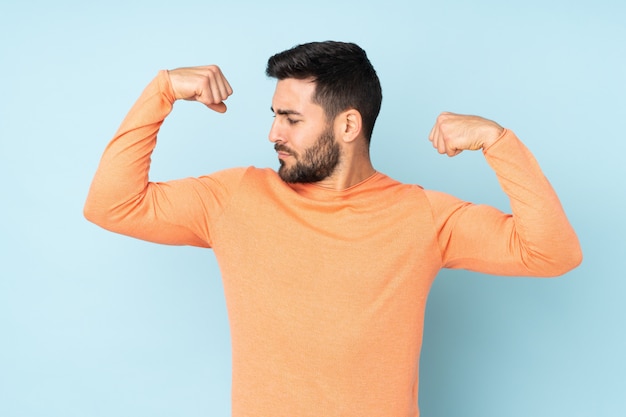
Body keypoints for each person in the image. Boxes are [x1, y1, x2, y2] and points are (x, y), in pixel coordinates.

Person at [84, 41, 582, 417]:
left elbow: (552, 253)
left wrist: (498, 142)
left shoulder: (420, 216)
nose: (273, 133)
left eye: (291, 119)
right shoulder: (235, 198)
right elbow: (112, 205)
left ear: (348, 126)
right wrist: (162, 90)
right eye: (274, 115)